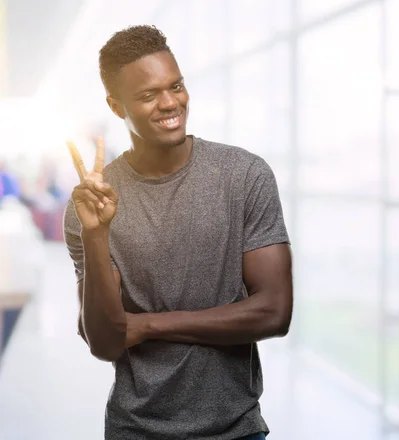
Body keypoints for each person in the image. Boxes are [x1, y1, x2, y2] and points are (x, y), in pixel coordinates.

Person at [63, 25, 293, 440]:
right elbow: (105, 342)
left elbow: (275, 312)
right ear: (117, 107)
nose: (170, 103)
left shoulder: (244, 176)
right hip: (135, 430)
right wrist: (96, 235)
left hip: (237, 430)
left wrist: (149, 326)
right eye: (148, 95)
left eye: (177, 86)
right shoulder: (92, 202)